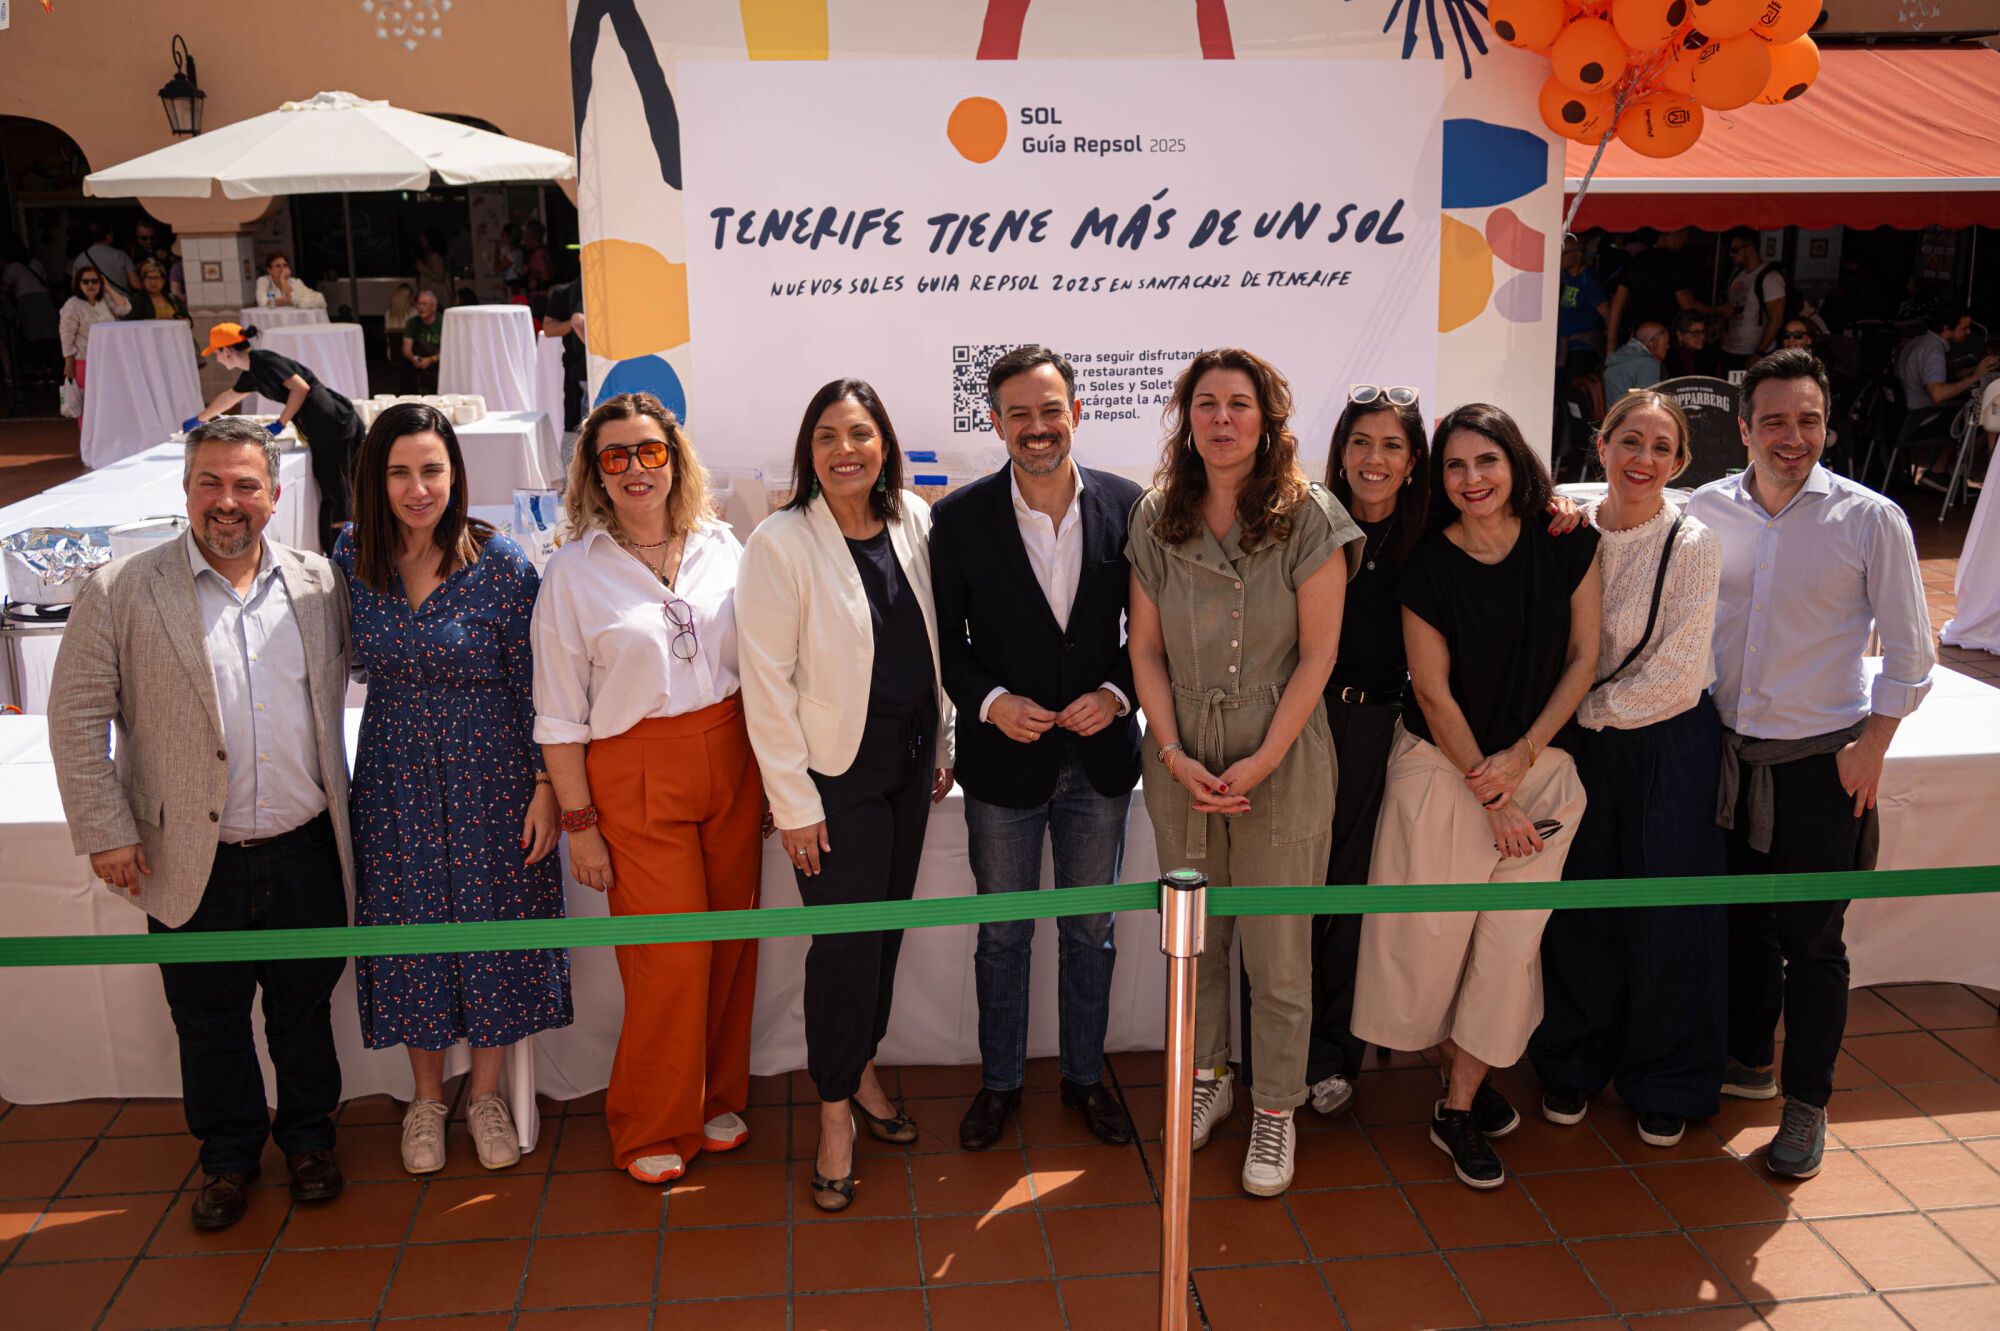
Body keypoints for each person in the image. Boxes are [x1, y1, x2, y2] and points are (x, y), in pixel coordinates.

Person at [48, 417, 353, 1230]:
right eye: (211, 483)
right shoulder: (121, 588)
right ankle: (227, 1157)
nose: (229, 501)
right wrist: (105, 827)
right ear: (185, 491)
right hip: (188, 854)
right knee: (208, 1016)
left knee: (303, 1008)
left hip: (305, 847)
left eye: (247, 484)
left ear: (276, 496)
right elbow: (77, 716)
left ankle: (312, 1140)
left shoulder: (321, 583)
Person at [1688, 349, 1934, 1179]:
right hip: (1721, 758)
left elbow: (1911, 652)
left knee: (1815, 942)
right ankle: (1749, 1060)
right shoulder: (1706, 510)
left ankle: (1806, 1102)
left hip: (1819, 768)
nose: (1792, 438)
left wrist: (1873, 746)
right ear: (1745, 426)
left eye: (1808, 420)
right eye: (1774, 421)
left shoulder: (1871, 519)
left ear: (1827, 424)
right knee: (1739, 925)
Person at [1126, 348, 1360, 1198]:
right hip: (1182, 759)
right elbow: (1144, 647)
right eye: (1206, 403)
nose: (1222, 419)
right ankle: (1210, 1077)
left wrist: (1263, 755)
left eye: (1240, 403)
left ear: (1267, 419)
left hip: (1283, 759)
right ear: (1187, 418)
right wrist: (1174, 749)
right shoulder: (1158, 515)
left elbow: (1320, 653)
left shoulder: (1309, 516)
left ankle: (1275, 1106)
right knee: (1197, 941)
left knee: (1278, 950)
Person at [1352, 402, 1601, 1192]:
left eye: (1486, 461)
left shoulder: (1569, 542)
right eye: (1455, 466)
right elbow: (1431, 689)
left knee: (1508, 945)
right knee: (1428, 943)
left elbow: (1583, 657)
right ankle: (1459, 1068)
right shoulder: (1426, 563)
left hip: (1541, 772)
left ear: (1514, 462)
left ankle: (1456, 1104)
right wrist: (1491, 792)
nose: (1471, 480)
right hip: (1444, 774)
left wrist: (1522, 759)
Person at [333, 403, 570, 1175]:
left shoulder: (498, 563)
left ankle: (488, 1096)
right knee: (412, 932)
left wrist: (546, 786)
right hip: (395, 779)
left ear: (455, 474)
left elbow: (539, 683)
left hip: (493, 777)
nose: (417, 487)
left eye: (431, 469)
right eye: (399, 471)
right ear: (376, 477)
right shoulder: (352, 557)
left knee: (497, 927)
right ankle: (428, 1098)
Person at [534, 392, 764, 1185]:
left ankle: (711, 1096)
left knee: (730, 942)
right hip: (633, 772)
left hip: (731, 756)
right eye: (616, 456)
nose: (635, 468)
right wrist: (581, 822)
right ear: (595, 472)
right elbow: (558, 715)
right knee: (669, 957)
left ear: (676, 456)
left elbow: (759, 667)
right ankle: (650, 1123)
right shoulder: (571, 571)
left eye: (649, 451)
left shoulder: (724, 545)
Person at [737, 379, 955, 1212]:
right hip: (832, 778)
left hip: (906, 763)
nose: (844, 450)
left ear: (885, 442)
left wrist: (944, 741)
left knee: (885, 932)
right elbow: (767, 684)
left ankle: (861, 1064)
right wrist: (793, 803)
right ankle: (833, 1112)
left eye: (859, 433)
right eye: (827, 436)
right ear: (809, 451)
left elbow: (936, 643)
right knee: (842, 947)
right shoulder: (780, 542)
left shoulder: (914, 519)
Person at [928, 345, 1142, 1151]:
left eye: (1050, 410)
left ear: (1076, 414)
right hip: (1002, 765)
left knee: (1091, 930)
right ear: (996, 423)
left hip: (1101, 762)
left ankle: (1085, 1079)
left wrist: (1117, 694)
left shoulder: (1132, 506)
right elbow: (948, 641)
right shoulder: (957, 518)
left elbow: (1149, 637)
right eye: (1018, 413)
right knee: (1003, 934)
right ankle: (1001, 1084)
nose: (1036, 427)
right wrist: (990, 701)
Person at [1528, 390, 1727, 1150]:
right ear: (1602, 445)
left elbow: (1676, 675)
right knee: (1578, 902)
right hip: (1586, 740)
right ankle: (1572, 1060)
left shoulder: (1693, 541)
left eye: (1661, 447)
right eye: (1629, 441)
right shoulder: (1572, 523)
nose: (1644, 459)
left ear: (1679, 462)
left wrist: (1565, 716)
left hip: (1665, 744)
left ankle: (1668, 1075)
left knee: (1667, 910)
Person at [190, 322, 367, 552]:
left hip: (330, 420)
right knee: (333, 485)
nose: (216, 358)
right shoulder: (253, 371)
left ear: (226, 350)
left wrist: (280, 422)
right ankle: (340, 546)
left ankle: (343, 549)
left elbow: (300, 388)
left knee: (335, 487)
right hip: (319, 421)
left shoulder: (263, 361)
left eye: (216, 352)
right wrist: (200, 418)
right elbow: (229, 397)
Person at [1898, 304, 1999, 493]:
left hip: (1904, 414)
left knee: (1965, 411)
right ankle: (1942, 473)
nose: (1968, 332)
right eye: (1964, 327)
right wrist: (1975, 377)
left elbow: (1937, 376)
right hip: (1921, 419)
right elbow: (1939, 394)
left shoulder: (1919, 342)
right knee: (1980, 423)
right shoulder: (1933, 352)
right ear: (1946, 328)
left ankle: (1941, 473)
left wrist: (1971, 371)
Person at [1607, 227, 1700, 351]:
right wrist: (1717, 311)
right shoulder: (1674, 263)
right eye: (1684, 235)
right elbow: (1687, 305)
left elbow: (1617, 303)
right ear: (1674, 233)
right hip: (1663, 340)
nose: (1685, 240)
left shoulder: (1636, 261)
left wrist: (1611, 344)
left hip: (1638, 339)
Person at [58, 265, 132, 400]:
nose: (90, 284)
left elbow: (125, 308)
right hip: (85, 360)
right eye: (85, 281)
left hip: (109, 359)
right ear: (78, 284)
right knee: (88, 403)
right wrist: (69, 359)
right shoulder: (72, 304)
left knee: (108, 400)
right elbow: (66, 334)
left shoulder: (104, 299)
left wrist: (108, 288)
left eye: (95, 281)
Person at [1720, 230, 1786, 370]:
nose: (1731, 254)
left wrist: (1759, 353)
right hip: (1730, 348)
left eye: (1735, 250)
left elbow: (1776, 319)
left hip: (1753, 351)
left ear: (1750, 248)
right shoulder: (1737, 274)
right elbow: (1730, 309)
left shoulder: (1770, 278)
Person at [3, 234, 61, 385]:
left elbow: (5, 289)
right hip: (43, 300)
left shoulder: (11, 267)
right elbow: (46, 281)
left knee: (32, 337)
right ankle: (49, 370)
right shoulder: (36, 262)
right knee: (47, 336)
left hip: (26, 302)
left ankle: (38, 371)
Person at [541, 276, 588, 432]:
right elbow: (549, 329)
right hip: (575, 367)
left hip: (595, 368)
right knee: (575, 426)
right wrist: (577, 325)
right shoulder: (563, 292)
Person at [1557, 234, 1610, 364]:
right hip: (1564, 347)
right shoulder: (1566, 277)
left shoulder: (1589, 281)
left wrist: (1609, 345)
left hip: (1582, 348)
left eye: (1565, 253)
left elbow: (1607, 312)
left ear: (1578, 254)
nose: (1560, 257)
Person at [1602, 321, 1669, 402]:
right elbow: (1650, 404)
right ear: (1654, 344)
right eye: (1666, 344)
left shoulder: (1617, 359)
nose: (1668, 347)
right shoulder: (1648, 364)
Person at [72, 218, 135, 298]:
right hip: (121, 302)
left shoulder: (80, 259)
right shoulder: (121, 256)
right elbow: (136, 284)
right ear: (108, 236)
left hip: (94, 304)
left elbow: (74, 287)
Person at [401, 289, 444, 394]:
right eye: (419, 304)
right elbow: (406, 348)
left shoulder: (444, 321)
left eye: (424, 304)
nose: (420, 308)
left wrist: (431, 359)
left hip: (439, 360)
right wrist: (413, 358)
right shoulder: (412, 323)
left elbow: (450, 350)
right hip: (419, 361)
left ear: (433, 306)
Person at [123, 259, 191, 324]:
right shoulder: (136, 300)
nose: (153, 282)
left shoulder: (173, 298)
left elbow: (189, 321)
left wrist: (179, 320)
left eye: (156, 278)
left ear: (163, 281)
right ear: (143, 281)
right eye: (149, 278)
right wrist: (156, 321)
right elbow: (132, 323)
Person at [254, 253, 328, 311]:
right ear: (269, 270)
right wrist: (291, 300)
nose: (282, 269)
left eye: (285, 265)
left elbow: (301, 301)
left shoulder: (296, 282)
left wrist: (283, 281)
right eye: (278, 266)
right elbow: (262, 303)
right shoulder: (263, 281)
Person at [1668, 311, 1721, 379]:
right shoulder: (1667, 354)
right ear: (1680, 335)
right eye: (1696, 333)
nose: (1702, 337)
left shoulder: (1711, 353)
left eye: (1703, 331)